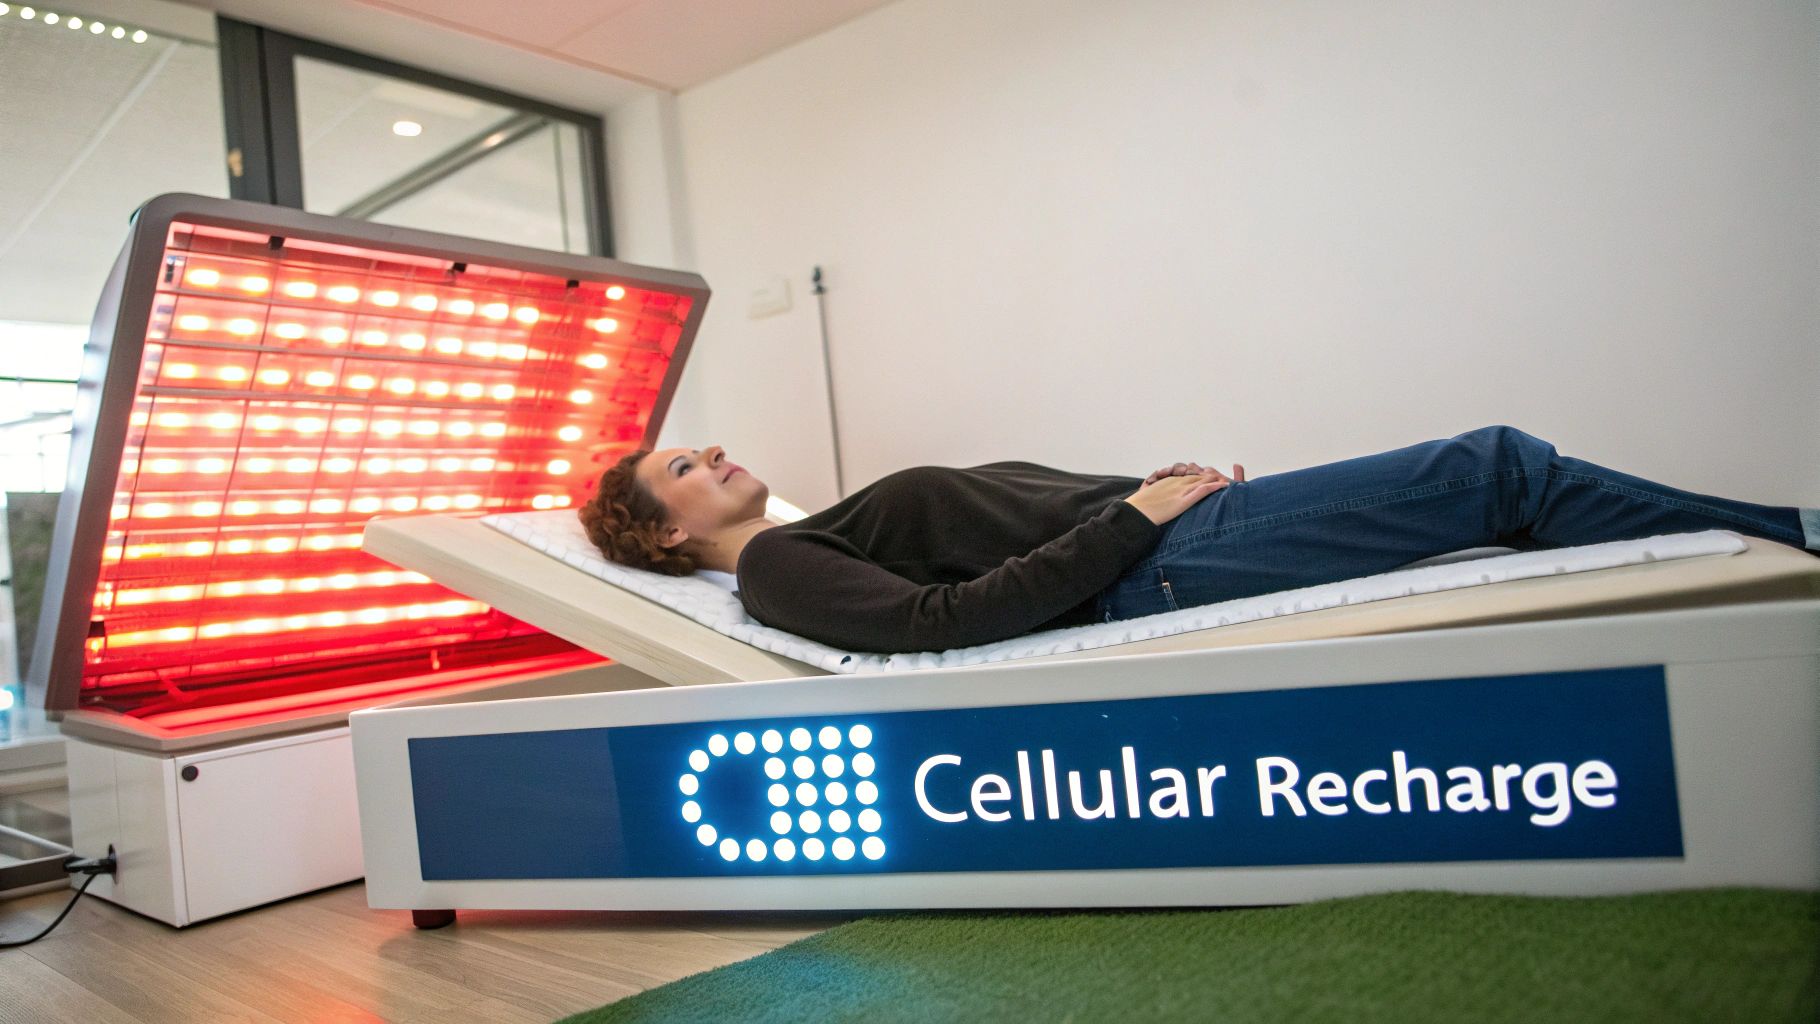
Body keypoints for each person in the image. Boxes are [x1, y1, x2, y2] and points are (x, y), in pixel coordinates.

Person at [577, 425, 1819, 654]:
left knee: (1504, 491)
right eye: (684, 466)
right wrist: (1135, 516)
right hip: (1152, 572)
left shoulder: (820, 527)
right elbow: (932, 627)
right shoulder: (777, 569)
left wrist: (1148, 484)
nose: (716, 452)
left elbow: (1009, 519)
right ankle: (1798, 538)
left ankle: (1793, 539)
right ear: (663, 534)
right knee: (1491, 472)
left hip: (1161, 535)